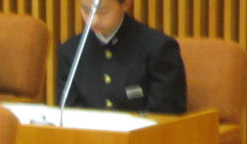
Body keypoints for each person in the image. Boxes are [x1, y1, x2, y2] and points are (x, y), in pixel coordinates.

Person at [56, 0, 186, 114]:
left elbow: (167, 115)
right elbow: (69, 114)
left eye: (103, 12)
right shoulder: (70, 52)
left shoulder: (158, 48)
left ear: (126, 4)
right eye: (86, 10)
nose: (93, 20)